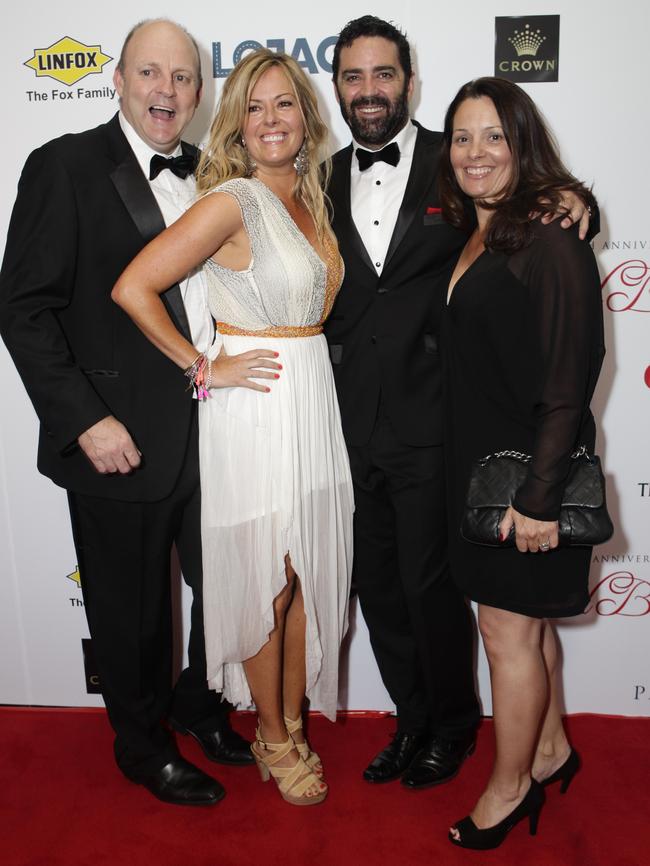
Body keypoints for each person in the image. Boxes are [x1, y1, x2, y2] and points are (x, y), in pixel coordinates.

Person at [325, 14, 595, 790]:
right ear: (338, 86)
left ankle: (452, 726)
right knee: (378, 592)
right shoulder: (319, 173)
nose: (369, 90)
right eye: (353, 76)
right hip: (349, 428)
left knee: (434, 592)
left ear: (411, 82)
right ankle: (410, 721)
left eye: (384, 74)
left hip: (439, 427)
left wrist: (578, 202)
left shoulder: (461, 160)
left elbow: (537, 211)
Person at [0, 18, 253, 807]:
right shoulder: (65, 166)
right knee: (130, 608)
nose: (166, 92)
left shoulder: (219, 171)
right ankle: (142, 747)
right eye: (151, 74)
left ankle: (197, 704)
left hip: (215, 427)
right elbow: (24, 307)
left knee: (223, 592)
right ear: (117, 78)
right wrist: (83, 420)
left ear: (200, 92)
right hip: (119, 435)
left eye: (182, 78)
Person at [112, 48, 353, 807]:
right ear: (237, 127)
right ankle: (275, 736)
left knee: (301, 581)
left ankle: (284, 721)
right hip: (253, 407)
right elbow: (134, 286)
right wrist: (201, 365)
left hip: (310, 399)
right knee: (265, 583)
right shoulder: (234, 201)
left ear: (305, 119)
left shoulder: (309, 201)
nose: (271, 120)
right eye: (255, 108)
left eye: (284, 104)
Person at [438, 77, 605, 849]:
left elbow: (572, 380)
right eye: (463, 137)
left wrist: (539, 498)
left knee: (507, 632)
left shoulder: (549, 237)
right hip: (483, 471)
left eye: (494, 137)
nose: (476, 153)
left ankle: (508, 791)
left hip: (523, 479)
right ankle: (549, 749)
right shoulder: (482, 228)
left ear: (522, 144)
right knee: (527, 630)